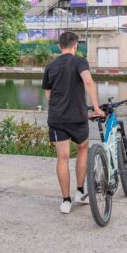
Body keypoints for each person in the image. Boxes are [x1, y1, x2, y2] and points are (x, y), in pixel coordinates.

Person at [42, 30, 103, 214]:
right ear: (75, 45)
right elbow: (89, 83)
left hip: (57, 117)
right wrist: (97, 108)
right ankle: (80, 191)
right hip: (77, 116)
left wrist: (58, 107)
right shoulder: (80, 62)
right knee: (83, 148)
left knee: (62, 157)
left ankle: (65, 201)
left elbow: (48, 94)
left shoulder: (50, 66)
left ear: (60, 46)